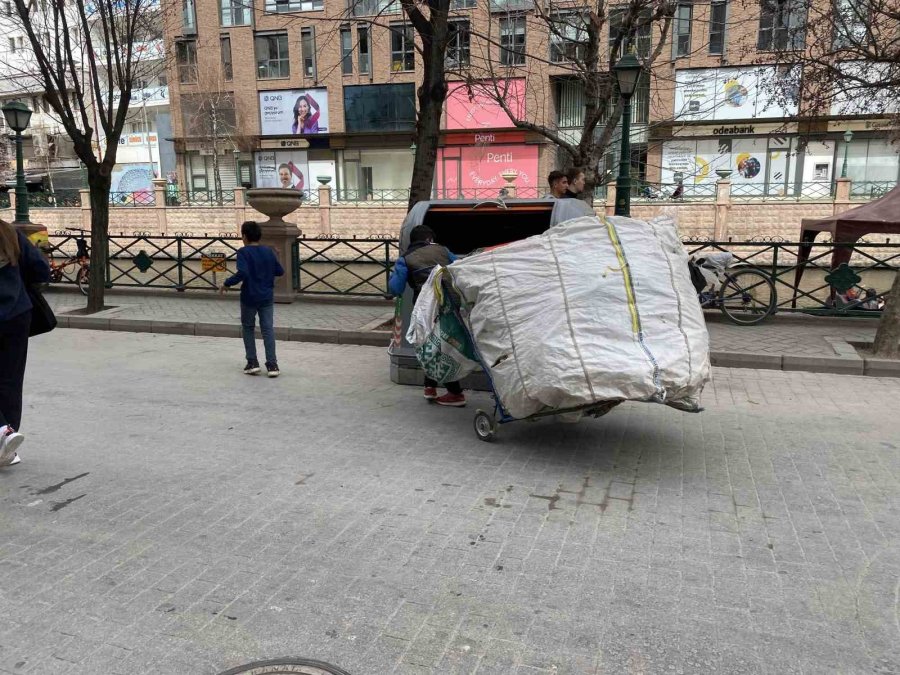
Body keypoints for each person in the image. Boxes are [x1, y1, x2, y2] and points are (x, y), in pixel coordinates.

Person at [388, 225, 465, 407]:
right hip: (452, 306)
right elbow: (460, 269)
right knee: (439, 345)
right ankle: (429, 387)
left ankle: (455, 393)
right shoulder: (444, 250)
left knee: (432, 346)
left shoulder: (405, 259)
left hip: (426, 310)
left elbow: (395, 288)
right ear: (430, 239)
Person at [0, 219, 51, 467]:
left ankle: (3, 433)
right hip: (17, 315)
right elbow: (41, 269)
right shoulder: (9, 232)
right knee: (10, 379)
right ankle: (7, 446)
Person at [219, 221, 285, 378]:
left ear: (245, 236)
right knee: (267, 329)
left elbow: (243, 273)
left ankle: (252, 362)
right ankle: (272, 364)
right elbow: (280, 271)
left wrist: (226, 284)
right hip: (267, 296)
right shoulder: (268, 251)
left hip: (249, 296)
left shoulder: (243, 252)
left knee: (248, 328)